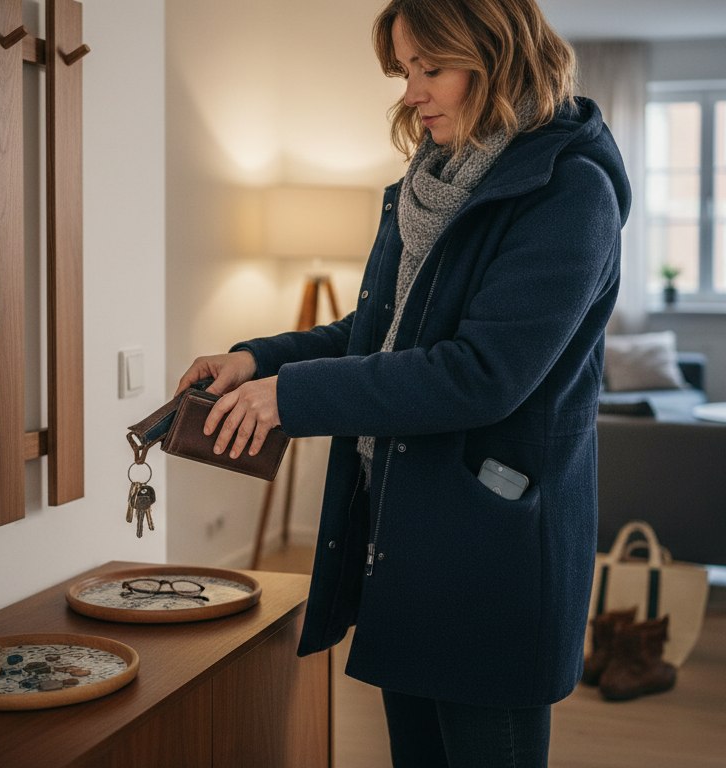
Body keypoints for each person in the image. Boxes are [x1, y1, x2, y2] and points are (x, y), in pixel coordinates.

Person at [175, 0, 630, 764]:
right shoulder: (432, 180)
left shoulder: (569, 192)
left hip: (494, 551)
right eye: (405, 70)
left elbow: (480, 376)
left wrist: (292, 399)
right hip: (407, 532)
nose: (410, 92)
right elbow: (381, 333)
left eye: (432, 69)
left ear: (499, 57)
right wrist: (260, 359)